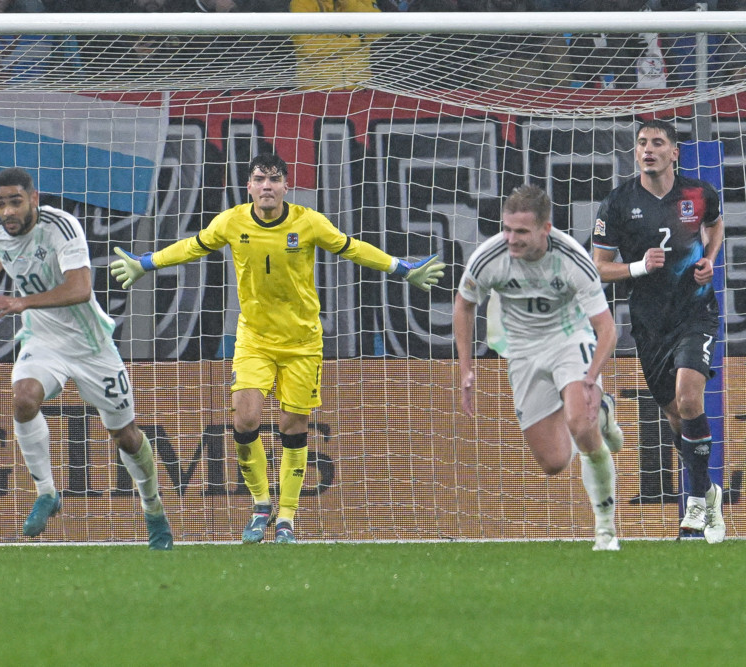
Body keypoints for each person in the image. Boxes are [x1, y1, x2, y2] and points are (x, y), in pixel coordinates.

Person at [110, 152, 444, 544]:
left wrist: (403, 269)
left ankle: (286, 517)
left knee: (293, 427)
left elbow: (352, 248)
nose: (267, 186)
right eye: (259, 179)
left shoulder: (308, 222)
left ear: (286, 186)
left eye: (274, 179)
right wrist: (145, 263)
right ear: (249, 187)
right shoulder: (232, 222)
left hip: (303, 343)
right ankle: (260, 505)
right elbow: (191, 247)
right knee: (245, 419)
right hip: (253, 340)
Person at [0, 167, 173, 550]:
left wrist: (20, 301)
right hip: (43, 339)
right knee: (24, 398)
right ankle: (47, 492)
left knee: (125, 437)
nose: (7, 211)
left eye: (15, 202)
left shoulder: (62, 227)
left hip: (91, 346)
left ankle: (153, 509)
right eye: (0, 203)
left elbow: (80, 287)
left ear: (34, 199)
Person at [454, 184, 625, 551]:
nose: (511, 239)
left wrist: (591, 379)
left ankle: (606, 529)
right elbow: (464, 304)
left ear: (545, 229)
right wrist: (466, 369)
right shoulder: (490, 257)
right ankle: (605, 415)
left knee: (581, 425)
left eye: (521, 232)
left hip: (569, 339)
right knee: (553, 462)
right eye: (507, 229)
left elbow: (607, 329)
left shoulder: (572, 259)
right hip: (523, 352)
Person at [592, 119, 726, 544]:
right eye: (642, 143)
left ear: (674, 153)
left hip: (695, 313)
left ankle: (696, 506)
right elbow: (597, 266)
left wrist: (709, 257)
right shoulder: (617, 203)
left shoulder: (698, 193)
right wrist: (636, 266)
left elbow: (715, 223)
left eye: (657, 143)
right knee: (676, 416)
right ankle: (709, 493)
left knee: (690, 399)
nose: (647, 149)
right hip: (649, 325)